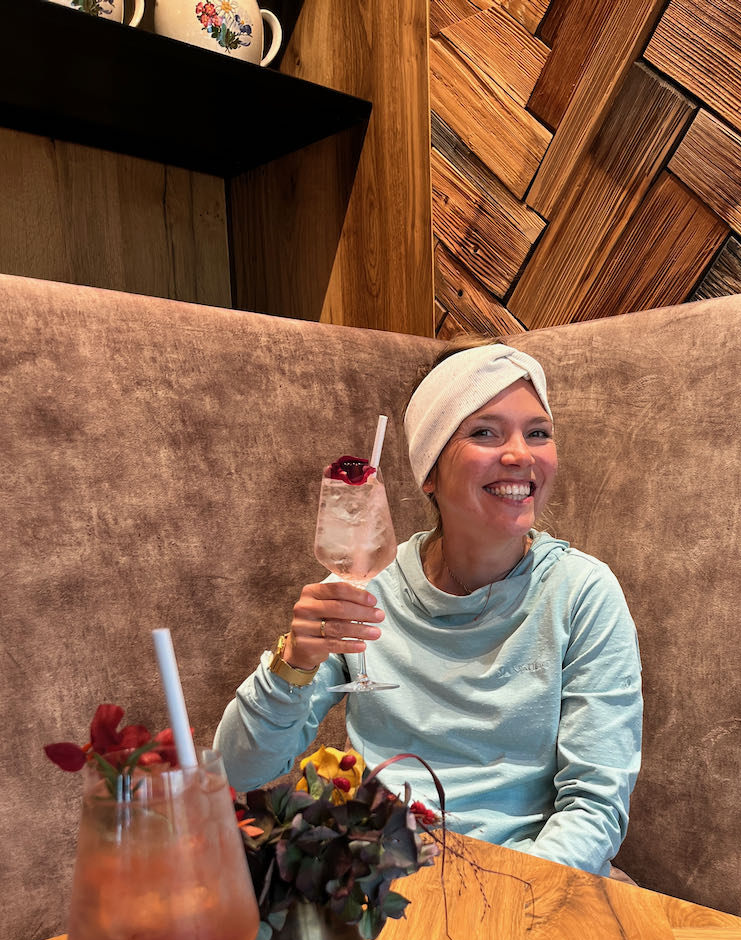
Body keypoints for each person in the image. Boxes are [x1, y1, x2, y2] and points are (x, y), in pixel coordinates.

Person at [214, 343, 642, 877]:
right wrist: (293, 664)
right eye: (485, 432)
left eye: (538, 432)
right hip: (380, 878)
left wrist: (498, 895)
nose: (521, 454)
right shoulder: (363, 588)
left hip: (530, 879)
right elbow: (237, 769)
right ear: (429, 472)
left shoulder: (582, 592)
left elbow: (595, 808)